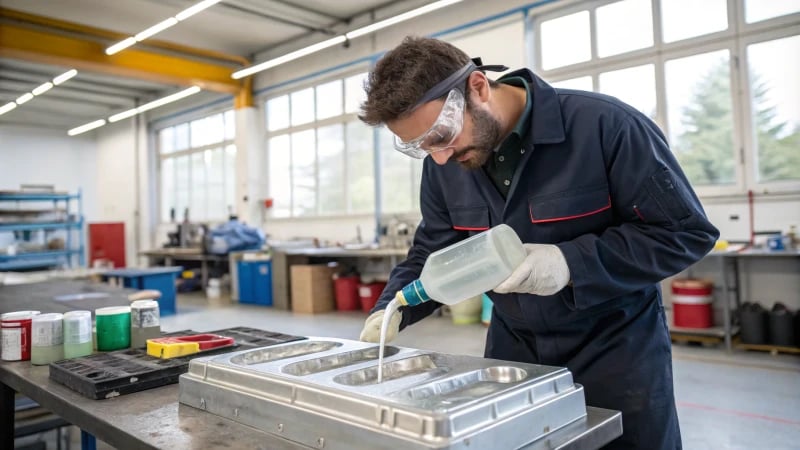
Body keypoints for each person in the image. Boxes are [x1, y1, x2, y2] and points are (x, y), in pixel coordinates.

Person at [357, 36, 719, 450]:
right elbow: (431, 251)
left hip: (616, 350)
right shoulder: (446, 164)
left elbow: (684, 232)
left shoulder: (605, 126)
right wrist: (391, 308)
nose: (438, 157)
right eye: (420, 147)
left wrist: (569, 263)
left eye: (441, 133)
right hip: (513, 352)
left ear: (477, 88)